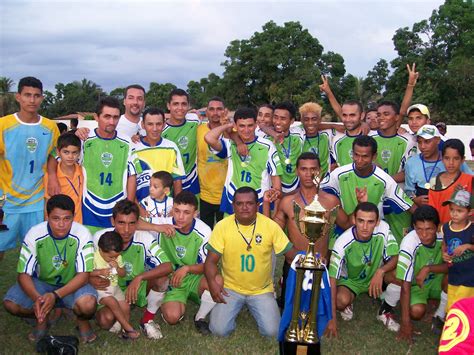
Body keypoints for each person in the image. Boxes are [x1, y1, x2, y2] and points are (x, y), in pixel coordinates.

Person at [3, 194, 97, 343]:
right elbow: (23, 275)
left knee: (88, 305)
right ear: (47, 216)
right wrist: (39, 300)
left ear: (74, 216)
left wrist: (55, 296)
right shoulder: (35, 233)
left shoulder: (83, 233)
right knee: (11, 304)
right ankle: (43, 316)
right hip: (42, 284)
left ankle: (81, 321)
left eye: (67, 218)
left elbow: (84, 276)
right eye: (56, 218)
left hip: (72, 284)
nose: (61, 224)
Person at [204, 187, 297, 337]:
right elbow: (210, 262)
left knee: (273, 332)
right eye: (239, 204)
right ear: (233, 205)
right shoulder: (222, 226)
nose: (245, 207)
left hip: (261, 290)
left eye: (249, 203)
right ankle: (232, 310)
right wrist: (212, 283)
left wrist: (310, 257)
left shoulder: (270, 226)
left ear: (257, 205)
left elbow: (291, 255)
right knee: (219, 331)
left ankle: (256, 306)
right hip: (230, 288)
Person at [267, 152, 349, 305]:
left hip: (320, 265)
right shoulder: (287, 202)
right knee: (289, 312)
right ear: (297, 171)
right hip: (293, 264)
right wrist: (266, 203)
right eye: (304, 169)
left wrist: (332, 253)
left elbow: (348, 226)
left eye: (313, 169)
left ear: (320, 171)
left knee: (316, 314)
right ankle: (284, 283)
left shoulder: (331, 201)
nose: (309, 173)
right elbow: (272, 232)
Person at [91, 200, 173, 340]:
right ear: (113, 221)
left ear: (138, 223)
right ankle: (121, 311)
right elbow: (85, 267)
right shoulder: (100, 237)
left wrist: (139, 278)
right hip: (110, 288)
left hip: (137, 287)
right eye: (121, 223)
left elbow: (168, 266)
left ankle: (147, 320)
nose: (126, 230)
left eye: (132, 223)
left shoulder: (144, 238)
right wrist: (91, 278)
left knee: (162, 279)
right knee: (105, 321)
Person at [0, 76, 60, 260]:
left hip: (36, 201)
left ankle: (30, 288)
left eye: (36, 95)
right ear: (18, 97)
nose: (32, 100)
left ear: (42, 98)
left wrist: (52, 175)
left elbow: (54, 154)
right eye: (27, 95)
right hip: (6, 201)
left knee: (34, 252)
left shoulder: (50, 127)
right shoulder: (3, 125)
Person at [321, 135, 415, 245]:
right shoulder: (338, 174)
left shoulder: (384, 179)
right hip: (343, 230)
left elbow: (408, 205)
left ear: (374, 156)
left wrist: (427, 221)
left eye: (365, 156)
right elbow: (320, 193)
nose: (359, 160)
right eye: (356, 155)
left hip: (372, 234)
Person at [325, 202, 400, 337]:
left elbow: (396, 257)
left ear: (377, 222)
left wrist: (380, 271)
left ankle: (385, 309)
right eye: (361, 221)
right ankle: (349, 302)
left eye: (370, 222)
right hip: (351, 281)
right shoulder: (342, 242)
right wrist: (332, 320)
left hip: (376, 277)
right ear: (354, 220)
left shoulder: (383, 228)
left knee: (399, 274)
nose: (365, 227)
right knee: (340, 301)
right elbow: (332, 280)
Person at [152, 191, 219, 335]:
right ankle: (169, 298)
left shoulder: (204, 231)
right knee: (172, 317)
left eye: (186, 212)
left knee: (217, 281)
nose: (180, 217)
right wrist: (157, 228)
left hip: (194, 277)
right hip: (172, 279)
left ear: (195, 213)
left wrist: (187, 268)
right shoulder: (163, 224)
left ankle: (200, 317)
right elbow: (135, 221)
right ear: (172, 210)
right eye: (177, 211)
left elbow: (208, 265)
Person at [205, 107, 283, 214]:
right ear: (235, 126)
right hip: (232, 199)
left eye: (250, 125)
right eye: (241, 126)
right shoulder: (230, 144)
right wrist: (227, 125)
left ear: (256, 124)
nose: (246, 130)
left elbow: (275, 176)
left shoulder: (267, 145)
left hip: (258, 201)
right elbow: (209, 138)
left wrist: (276, 192)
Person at [81, 96, 139, 234]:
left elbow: (132, 175)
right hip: (88, 207)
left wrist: (128, 206)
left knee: (115, 252)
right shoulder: (84, 140)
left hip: (117, 209)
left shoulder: (127, 143)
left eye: (115, 117)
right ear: (96, 117)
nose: (112, 121)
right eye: (107, 116)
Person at [397, 205, 448, 343]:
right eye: (419, 229)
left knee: (453, 278)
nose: (424, 234)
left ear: (437, 227)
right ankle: (430, 302)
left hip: (438, 279)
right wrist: (405, 322)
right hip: (418, 285)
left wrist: (428, 268)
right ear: (413, 226)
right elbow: (405, 285)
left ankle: (440, 311)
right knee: (416, 312)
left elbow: (454, 266)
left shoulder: (445, 235)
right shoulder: (408, 243)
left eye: (429, 229)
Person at [93, 231, 139, 339]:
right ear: (100, 249)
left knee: (125, 306)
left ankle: (122, 329)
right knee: (112, 302)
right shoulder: (94, 257)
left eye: (116, 256)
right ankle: (128, 327)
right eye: (110, 257)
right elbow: (87, 272)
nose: (114, 259)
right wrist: (99, 272)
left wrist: (118, 268)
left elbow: (123, 274)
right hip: (102, 289)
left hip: (115, 286)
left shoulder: (117, 257)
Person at [133, 107, 185, 202]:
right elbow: (129, 182)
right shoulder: (133, 148)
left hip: (165, 208)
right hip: (140, 207)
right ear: (143, 125)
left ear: (164, 124)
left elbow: (177, 180)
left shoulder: (171, 147)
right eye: (150, 124)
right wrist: (138, 208)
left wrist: (176, 206)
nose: (155, 129)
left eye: (158, 124)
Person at [441, 187, 474, 311]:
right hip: (454, 275)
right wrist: (444, 254)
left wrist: (468, 246)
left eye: (459, 210)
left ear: (469, 212)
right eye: (452, 210)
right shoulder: (446, 227)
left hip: (470, 278)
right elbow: (444, 244)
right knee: (452, 307)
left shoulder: (472, 229)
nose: (454, 213)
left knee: (462, 309)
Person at [197, 97, 228, 228]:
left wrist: (226, 127)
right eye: (212, 109)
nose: (215, 113)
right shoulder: (198, 130)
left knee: (226, 235)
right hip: (205, 194)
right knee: (206, 232)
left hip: (227, 195)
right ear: (207, 112)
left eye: (219, 109)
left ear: (225, 111)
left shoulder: (233, 131)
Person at [162, 89, 200, 195]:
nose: (180, 108)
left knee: (193, 211)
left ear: (188, 106)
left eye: (183, 104)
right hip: (169, 183)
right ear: (168, 106)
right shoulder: (160, 130)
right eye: (175, 104)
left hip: (191, 179)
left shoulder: (195, 121)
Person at [429, 139, 473, 224]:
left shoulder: (470, 180)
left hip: (462, 230)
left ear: (462, 159)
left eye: (456, 158)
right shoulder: (434, 181)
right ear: (442, 158)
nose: (451, 163)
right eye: (447, 158)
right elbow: (432, 209)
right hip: (439, 230)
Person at [44, 133, 83, 223]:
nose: (70, 156)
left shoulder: (82, 171)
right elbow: (48, 204)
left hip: (80, 222)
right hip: (61, 224)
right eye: (66, 152)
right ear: (58, 152)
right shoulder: (51, 177)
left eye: (74, 152)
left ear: (79, 153)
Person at [271, 102, 303, 194]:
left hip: (296, 184)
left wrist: (333, 125)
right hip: (272, 185)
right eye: (275, 117)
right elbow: (261, 126)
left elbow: (314, 125)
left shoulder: (299, 133)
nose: (277, 122)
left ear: (292, 121)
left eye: (283, 118)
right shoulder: (265, 137)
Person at [299, 102, 332, 177]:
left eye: (314, 119)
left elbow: (348, 127)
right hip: (302, 183)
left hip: (323, 183)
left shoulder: (326, 136)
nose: (310, 123)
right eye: (306, 119)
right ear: (301, 121)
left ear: (320, 120)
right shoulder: (296, 138)